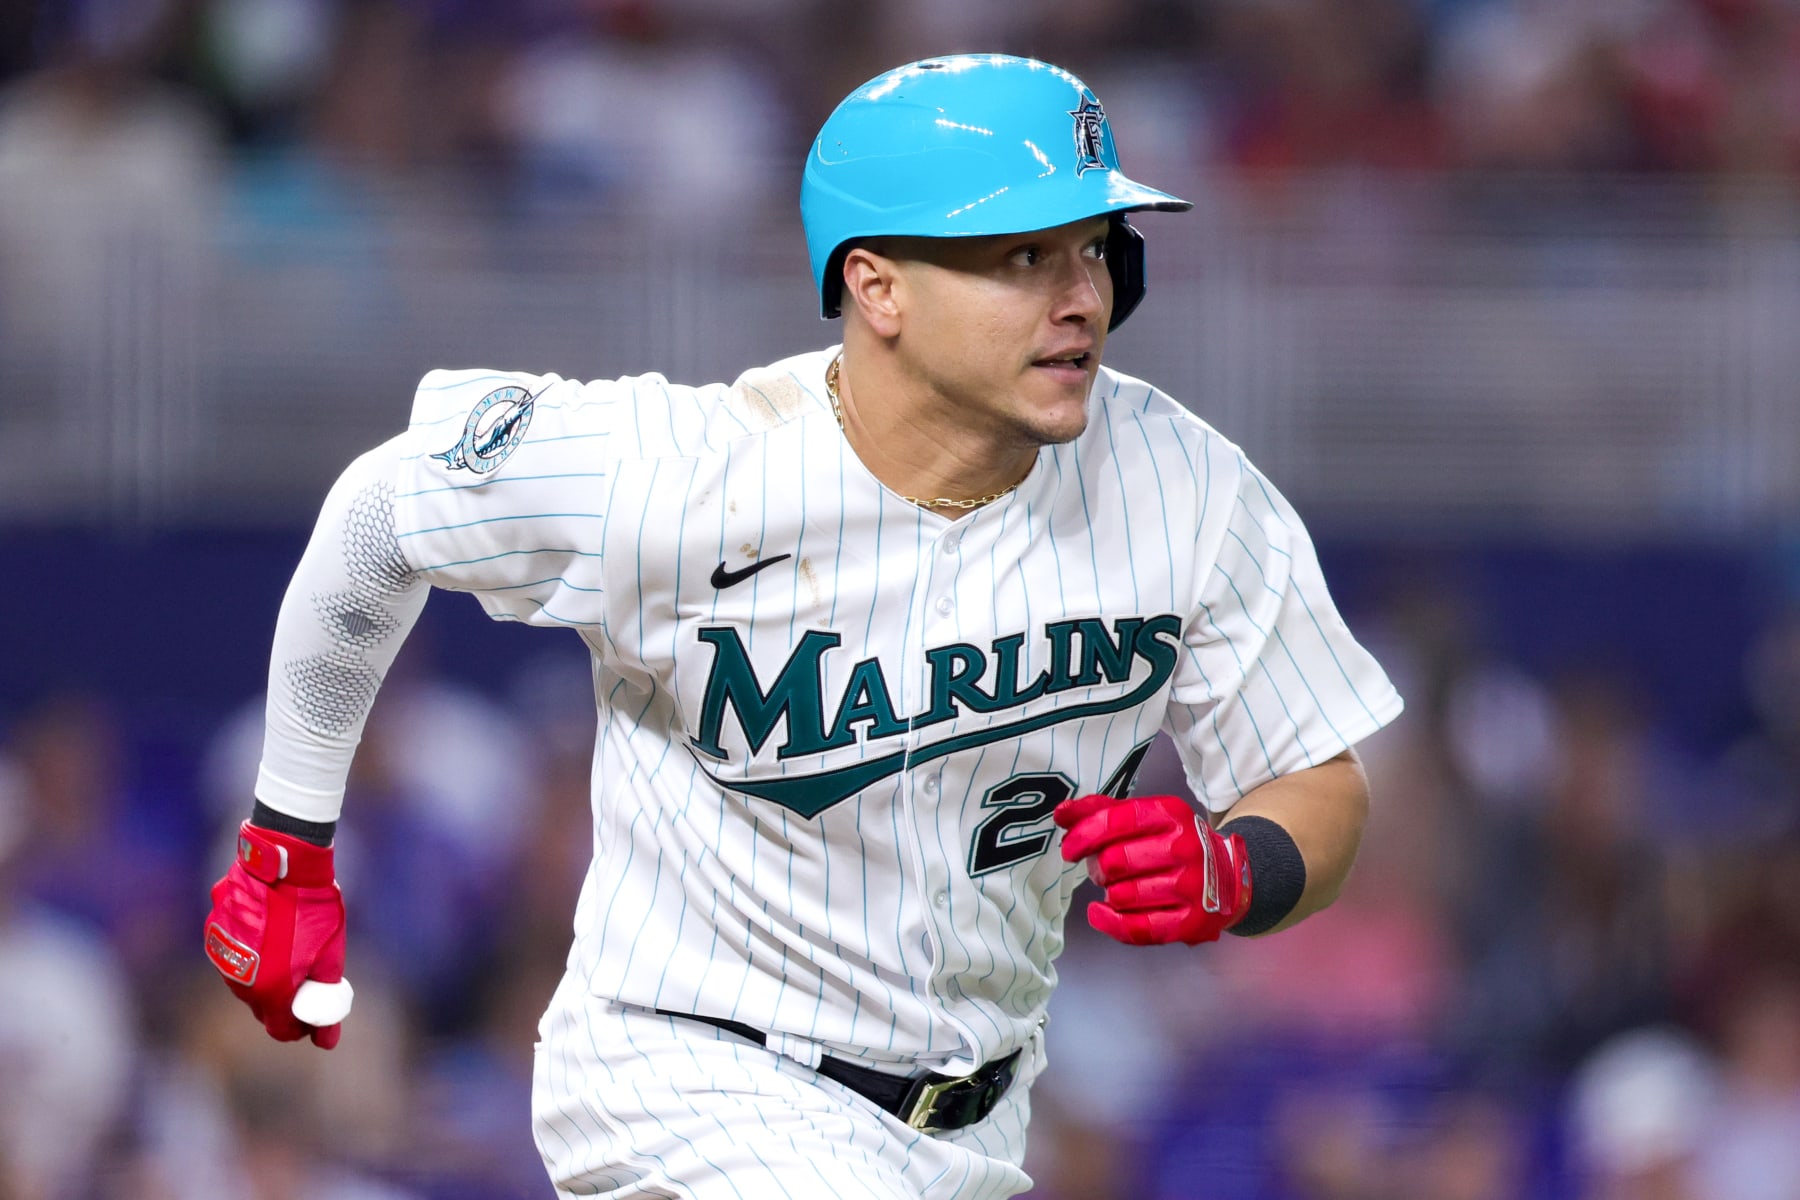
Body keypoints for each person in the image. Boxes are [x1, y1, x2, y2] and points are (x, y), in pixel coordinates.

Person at [203, 53, 1403, 1199]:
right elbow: (379, 518)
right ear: (876, 283)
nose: (1080, 296)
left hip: (972, 1125)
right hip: (692, 1072)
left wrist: (1242, 866)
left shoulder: (1185, 490)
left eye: (1094, 249)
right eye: (1024, 254)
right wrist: (285, 842)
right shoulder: (681, 475)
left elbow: (1316, 778)